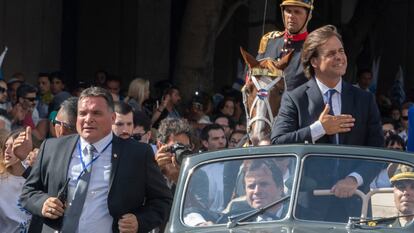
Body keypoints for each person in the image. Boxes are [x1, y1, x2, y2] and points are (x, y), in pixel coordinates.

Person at [20, 87, 172, 233]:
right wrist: (43, 203)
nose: (88, 119)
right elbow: (28, 192)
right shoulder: (52, 148)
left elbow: (162, 201)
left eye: (96, 113)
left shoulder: (138, 154)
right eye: (83, 113)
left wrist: (140, 221)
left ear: (112, 118)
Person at [272, 25, 384, 222]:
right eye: (331, 53)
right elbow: (278, 143)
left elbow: (378, 150)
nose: (340, 57)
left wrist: (354, 179)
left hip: (355, 206)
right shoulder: (295, 99)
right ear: (314, 61)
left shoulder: (364, 99)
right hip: (307, 210)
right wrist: (319, 128)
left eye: (341, 51)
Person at [256, 0, 314, 91]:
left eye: (297, 12)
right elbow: (253, 76)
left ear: (309, 15)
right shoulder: (269, 41)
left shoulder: (314, 47)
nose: (291, 16)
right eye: (288, 11)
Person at [0, 130, 32, 233]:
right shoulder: (1, 179)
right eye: (5, 146)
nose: (7, 151)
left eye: (13, 146)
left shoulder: (34, 175)